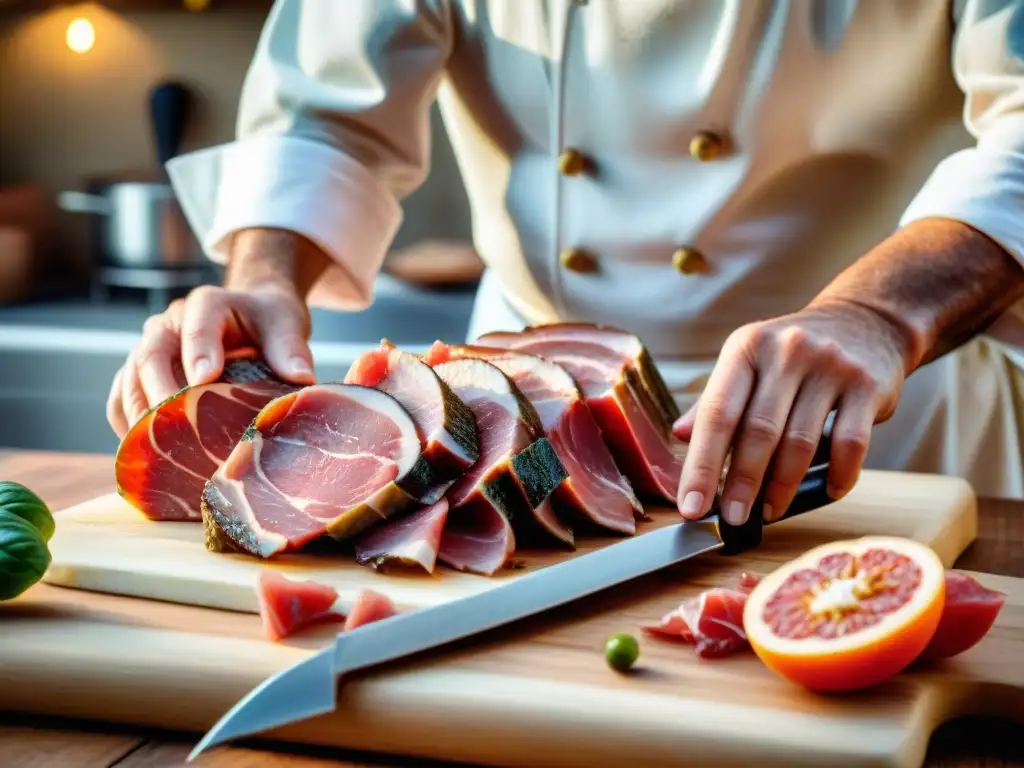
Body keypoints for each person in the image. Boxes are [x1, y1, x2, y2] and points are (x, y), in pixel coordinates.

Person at [107, 0, 1024, 527]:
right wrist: (264, 273)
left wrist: (874, 316)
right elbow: (329, 109)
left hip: (878, 397)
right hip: (523, 409)